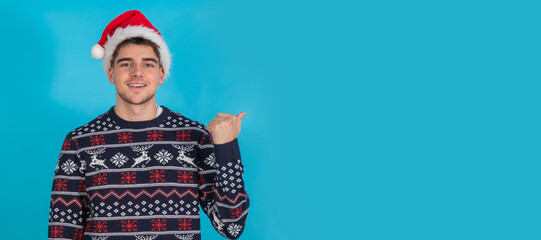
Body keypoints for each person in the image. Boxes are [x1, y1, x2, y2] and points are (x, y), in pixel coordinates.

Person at [47, 10, 249, 240]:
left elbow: (231, 226)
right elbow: (62, 232)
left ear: (161, 74)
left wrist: (226, 148)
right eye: (126, 64)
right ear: (111, 73)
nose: (137, 73)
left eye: (148, 64)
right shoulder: (78, 143)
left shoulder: (196, 137)